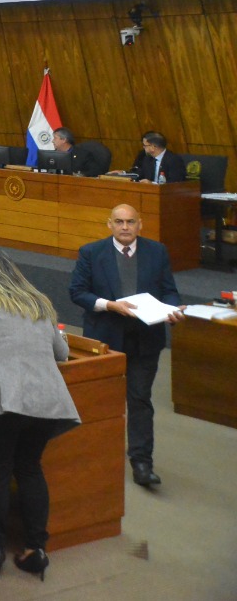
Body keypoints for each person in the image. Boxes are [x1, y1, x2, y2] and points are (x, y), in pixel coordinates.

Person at [0, 247, 78, 580]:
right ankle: (36, 548)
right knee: (29, 468)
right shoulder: (37, 300)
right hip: (44, 399)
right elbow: (62, 352)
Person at [69, 204, 181, 488]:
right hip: (106, 339)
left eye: (130, 222)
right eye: (119, 222)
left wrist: (171, 308)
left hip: (146, 340)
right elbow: (78, 292)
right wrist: (109, 305)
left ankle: (142, 463)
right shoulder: (91, 253)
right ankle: (95, 454)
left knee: (140, 400)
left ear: (140, 224)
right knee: (102, 399)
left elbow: (168, 289)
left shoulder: (157, 252)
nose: (125, 227)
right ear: (110, 224)